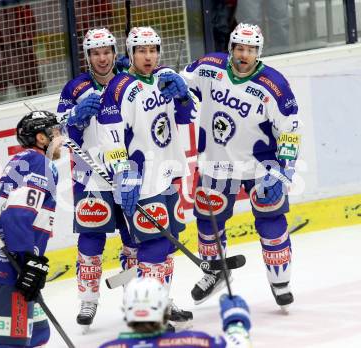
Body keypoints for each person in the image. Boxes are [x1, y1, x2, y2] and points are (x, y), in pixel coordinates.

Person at [180, 23, 300, 309]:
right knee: (209, 224)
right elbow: (178, 81)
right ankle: (215, 272)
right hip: (217, 163)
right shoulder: (209, 66)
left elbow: (290, 130)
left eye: (251, 50)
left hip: (262, 167)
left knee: (271, 223)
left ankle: (280, 281)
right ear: (231, 48)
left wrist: (283, 173)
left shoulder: (275, 84)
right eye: (240, 48)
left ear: (258, 52)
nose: (244, 55)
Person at [96, 26, 199, 327]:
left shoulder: (166, 78)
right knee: (153, 246)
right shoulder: (120, 88)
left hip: (167, 174)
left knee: (168, 244)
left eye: (153, 49)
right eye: (141, 50)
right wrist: (123, 173)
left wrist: (183, 98)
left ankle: (161, 303)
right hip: (140, 183)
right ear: (130, 53)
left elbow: (186, 118)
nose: (148, 56)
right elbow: (109, 138)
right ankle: (148, 312)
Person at [56, 28, 138, 332]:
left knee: (135, 241)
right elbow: (58, 133)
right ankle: (88, 299)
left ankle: (136, 295)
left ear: (115, 53)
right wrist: (74, 117)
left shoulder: (126, 82)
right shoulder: (74, 88)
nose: (102, 58)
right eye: (95, 53)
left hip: (126, 175)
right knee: (91, 242)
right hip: (90, 178)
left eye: (106, 52)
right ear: (87, 56)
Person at [0, 110, 62, 347]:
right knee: (11, 344)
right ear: (42, 138)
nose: (61, 138)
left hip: (4, 263)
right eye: (56, 132)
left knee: (39, 332)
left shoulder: (22, 161)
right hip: (9, 267)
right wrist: (28, 261)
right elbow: (17, 214)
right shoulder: (39, 162)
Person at [99, 277, 251, 347]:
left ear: (126, 312)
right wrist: (235, 318)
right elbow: (239, 343)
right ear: (165, 310)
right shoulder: (194, 341)